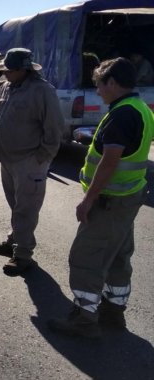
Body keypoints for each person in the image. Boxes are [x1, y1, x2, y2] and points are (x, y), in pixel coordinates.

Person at [48, 58, 153, 338]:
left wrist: (88, 199)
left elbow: (109, 161)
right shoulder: (140, 108)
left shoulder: (121, 115)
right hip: (128, 197)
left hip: (110, 200)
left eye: (99, 85)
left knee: (86, 258)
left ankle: (84, 319)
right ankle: (113, 312)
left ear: (112, 83)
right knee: (118, 256)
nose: (97, 91)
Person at [0, 48, 65, 275]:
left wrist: (42, 157)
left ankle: (23, 254)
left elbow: (55, 127)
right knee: (16, 206)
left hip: (30, 160)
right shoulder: (6, 88)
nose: (5, 74)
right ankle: (14, 241)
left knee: (26, 209)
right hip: (8, 158)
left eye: (9, 70)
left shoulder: (42, 91)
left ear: (24, 69)